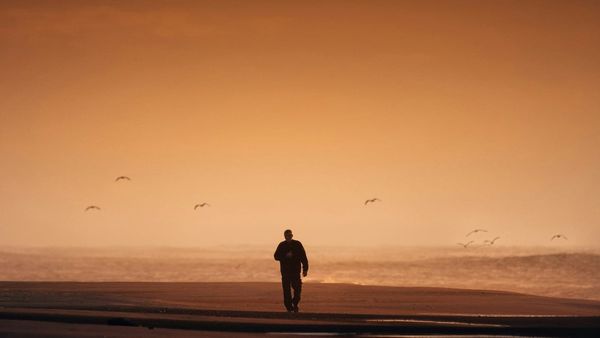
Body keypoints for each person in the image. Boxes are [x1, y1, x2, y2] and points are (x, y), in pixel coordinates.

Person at [274, 229, 308, 313]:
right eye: (286, 236)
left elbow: (303, 257)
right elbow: (276, 256)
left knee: (297, 288)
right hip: (285, 272)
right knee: (286, 290)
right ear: (284, 236)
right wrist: (285, 256)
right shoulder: (282, 245)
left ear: (292, 236)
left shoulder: (297, 244)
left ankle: (295, 303)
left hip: (295, 271)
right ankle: (289, 307)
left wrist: (305, 269)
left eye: (289, 235)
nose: (288, 237)